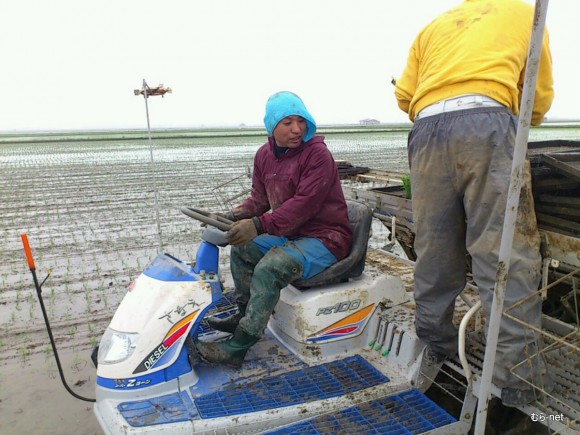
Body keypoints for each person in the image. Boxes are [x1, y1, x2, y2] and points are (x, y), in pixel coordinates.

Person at [394, 0, 554, 407]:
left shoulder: (435, 26)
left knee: (435, 247)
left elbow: (404, 95)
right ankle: (515, 381)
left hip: (426, 130)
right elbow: (538, 99)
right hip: (486, 124)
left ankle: (437, 344)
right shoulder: (525, 14)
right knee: (503, 252)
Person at [195, 91, 353, 368]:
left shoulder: (317, 155)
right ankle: (243, 314)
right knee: (242, 248)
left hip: (325, 238)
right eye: (287, 122)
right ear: (272, 126)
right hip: (292, 234)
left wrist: (257, 224)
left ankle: (240, 345)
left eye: (301, 121)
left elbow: (304, 205)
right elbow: (259, 199)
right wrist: (230, 216)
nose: (296, 129)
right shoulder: (264, 155)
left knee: (270, 268)